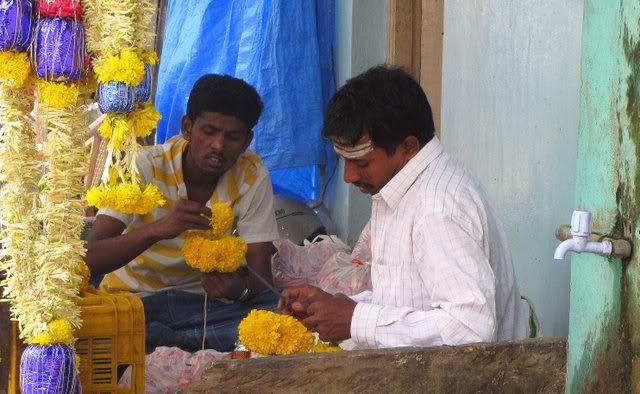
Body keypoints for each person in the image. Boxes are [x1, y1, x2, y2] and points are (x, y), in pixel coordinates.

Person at [280, 65, 528, 348]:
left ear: (408, 147)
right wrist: (338, 308)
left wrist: (355, 320)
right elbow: (407, 297)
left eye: (361, 163)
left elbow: (468, 327)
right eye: (343, 161)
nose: (349, 176)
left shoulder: (437, 209)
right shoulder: (405, 189)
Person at [86, 74, 281, 353]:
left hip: (203, 307)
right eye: (209, 131)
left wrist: (237, 289)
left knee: (282, 313)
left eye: (233, 137)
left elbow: (262, 278)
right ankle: (174, 342)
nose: (219, 146)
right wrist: (157, 229)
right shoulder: (142, 165)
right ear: (188, 127)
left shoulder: (251, 174)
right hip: (136, 301)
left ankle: (162, 343)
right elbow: (91, 258)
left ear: (247, 140)